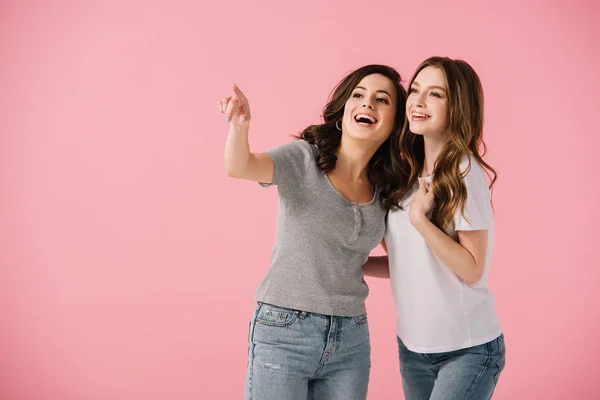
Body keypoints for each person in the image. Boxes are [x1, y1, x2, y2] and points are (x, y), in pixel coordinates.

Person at [217, 64, 407, 400]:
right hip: (284, 330)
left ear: (394, 122)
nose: (367, 104)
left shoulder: (385, 189)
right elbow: (239, 166)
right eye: (358, 95)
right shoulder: (303, 158)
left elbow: (405, 262)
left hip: (351, 337)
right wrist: (240, 126)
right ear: (344, 108)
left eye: (382, 99)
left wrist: (353, 265)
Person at [364, 57, 506, 399]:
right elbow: (410, 262)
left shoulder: (462, 171)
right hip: (413, 348)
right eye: (415, 90)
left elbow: (472, 268)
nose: (418, 101)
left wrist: (419, 222)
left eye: (435, 94)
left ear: (458, 106)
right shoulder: (406, 177)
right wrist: (356, 264)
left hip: (467, 349)